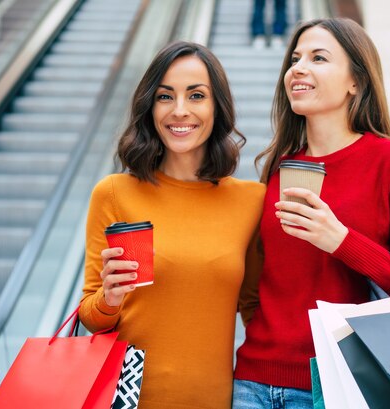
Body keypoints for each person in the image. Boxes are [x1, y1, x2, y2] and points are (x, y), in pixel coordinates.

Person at [233, 18, 390, 408]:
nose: (297, 68)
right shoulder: (279, 167)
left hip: (339, 385)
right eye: (295, 58)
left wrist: (343, 241)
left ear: (357, 82)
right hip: (253, 382)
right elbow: (260, 282)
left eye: (318, 58)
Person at [79, 41, 265, 409]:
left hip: (213, 399)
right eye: (165, 97)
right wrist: (111, 298)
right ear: (150, 107)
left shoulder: (250, 201)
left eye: (196, 96)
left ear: (217, 107)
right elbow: (91, 315)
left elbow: (256, 310)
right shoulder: (115, 193)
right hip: (127, 400)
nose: (180, 111)